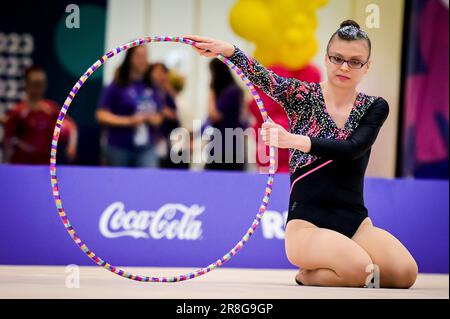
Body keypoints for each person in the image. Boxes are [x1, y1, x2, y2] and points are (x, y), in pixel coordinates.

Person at [184, 19, 418, 288]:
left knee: (404, 274)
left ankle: (344, 265)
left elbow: (353, 148)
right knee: (362, 270)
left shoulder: (374, 106)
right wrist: (228, 50)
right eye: (338, 58)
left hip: (355, 223)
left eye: (355, 61)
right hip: (308, 225)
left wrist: (292, 140)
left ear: (367, 66)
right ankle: (307, 274)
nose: (344, 66)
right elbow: (264, 77)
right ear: (327, 59)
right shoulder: (302, 95)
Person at [96, 46, 163, 167]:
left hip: (146, 147)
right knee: (118, 183)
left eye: (145, 56)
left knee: (148, 182)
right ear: (129, 59)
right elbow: (101, 115)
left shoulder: (152, 86)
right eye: (139, 56)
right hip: (119, 146)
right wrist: (129, 121)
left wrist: (153, 119)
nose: (143, 60)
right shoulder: (116, 85)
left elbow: (159, 116)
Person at [3, 66, 78, 165]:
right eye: (35, 84)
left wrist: (72, 146)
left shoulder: (51, 108)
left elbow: (72, 126)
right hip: (21, 161)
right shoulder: (18, 111)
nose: (39, 88)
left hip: (44, 162)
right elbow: (7, 138)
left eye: (41, 83)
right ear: (27, 85)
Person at [204, 58, 246, 171]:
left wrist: (211, 93)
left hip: (224, 142)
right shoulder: (235, 90)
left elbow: (214, 115)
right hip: (231, 140)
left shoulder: (230, 92)